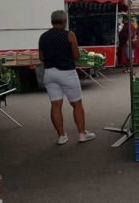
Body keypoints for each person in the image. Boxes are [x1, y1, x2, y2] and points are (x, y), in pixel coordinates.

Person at [38, 10, 96, 145]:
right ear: (64, 21)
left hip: (49, 73)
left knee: (55, 105)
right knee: (76, 104)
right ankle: (82, 134)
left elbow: (41, 57)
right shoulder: (69, 35)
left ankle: (61, 136)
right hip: (67, 73)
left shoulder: (43, 37)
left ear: (52, 21)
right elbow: (76, 55)